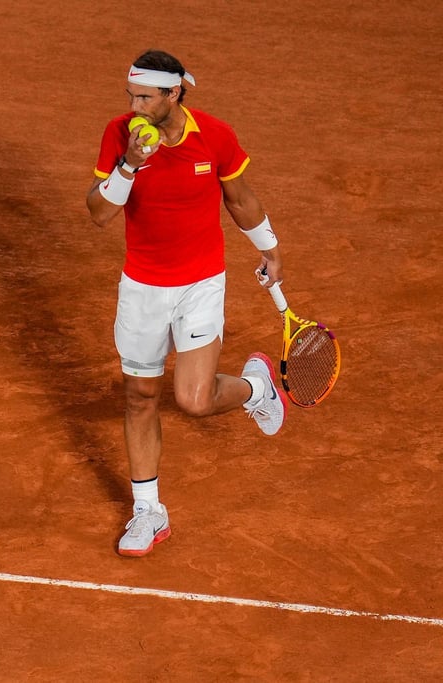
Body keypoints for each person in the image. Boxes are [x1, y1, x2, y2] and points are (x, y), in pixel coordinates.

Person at [85, 50, 288, 558]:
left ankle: (253, 388)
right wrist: (130, 164)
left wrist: (270, 248)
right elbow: (99, 213)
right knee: (140, 397)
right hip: (142, 288)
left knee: (194, 400)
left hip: (200, 284)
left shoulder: (215, 135)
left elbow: (239, 198)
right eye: (131, 95)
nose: (134, 106)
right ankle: (148, 512)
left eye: (145, 97)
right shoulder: (122, 135)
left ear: (174, 94)